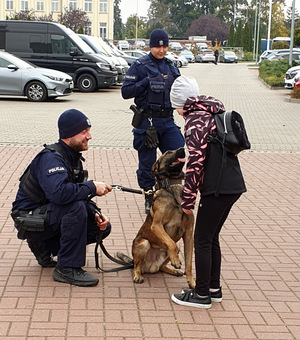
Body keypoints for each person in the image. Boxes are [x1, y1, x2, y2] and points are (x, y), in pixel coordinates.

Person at [11, 109, 112, 287]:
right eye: (84, 132)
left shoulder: (72, 158)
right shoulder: (51, 158)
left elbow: (76, 194)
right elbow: (59, 194)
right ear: (68, 135)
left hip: (46, 214)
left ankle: (45, 247)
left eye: (89, 131)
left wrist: (96, 212)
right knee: (75, 209)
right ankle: (67, 268)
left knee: (101, 226)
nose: (89, 136)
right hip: (28, 218)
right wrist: (92, 186)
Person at [169, 76, 246, 309]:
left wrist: (188, 200)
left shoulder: (195, 120)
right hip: (232, 184)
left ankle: (201, 295)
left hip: (217, 188)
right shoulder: (212, 111)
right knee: (211, 238)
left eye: (176, 107)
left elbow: (195, 163)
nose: (178, 113)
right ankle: (214, 289)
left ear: (183, 104)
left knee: (202, 239)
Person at [121, 28, 185, 214]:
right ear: (151, 46)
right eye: (158, 47)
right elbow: (126, 92)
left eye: (165, 46)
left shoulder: (171, 66)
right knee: (147, 164)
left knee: (178, 155)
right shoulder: (139, 65)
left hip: (167, 120)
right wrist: (144, 83)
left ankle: (172, 191)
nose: (162, 50)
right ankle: (149, 196)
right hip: (147, 123)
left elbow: (179, 91)